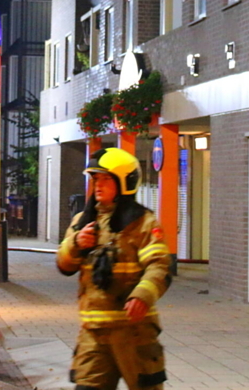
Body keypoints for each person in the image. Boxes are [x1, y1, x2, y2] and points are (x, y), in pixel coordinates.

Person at [56, 148, 171, 390]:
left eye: (106, 178)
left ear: (124, 182)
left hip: (134, 333)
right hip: (93, 334)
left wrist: (142, 296)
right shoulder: (82, 221)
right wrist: (75, 244)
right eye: (95, 179)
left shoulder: (143, 223)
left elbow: (159, 265)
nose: (98, 185)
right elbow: (64, 265)